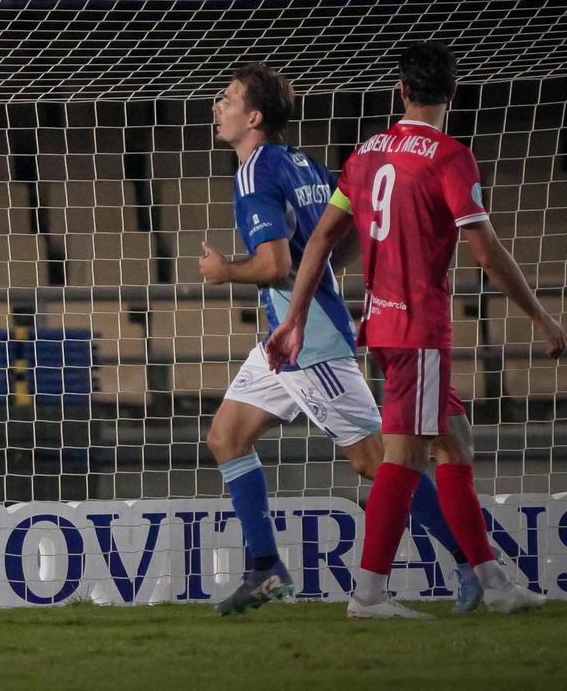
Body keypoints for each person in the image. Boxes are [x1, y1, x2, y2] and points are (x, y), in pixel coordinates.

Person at [267, 41, 566, 619]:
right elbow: (485, 249)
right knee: (403, 460)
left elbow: (324, 239)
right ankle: (368, 595)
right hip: (419, 330)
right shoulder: (450, 158)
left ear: (400, 90)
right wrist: (538, 314)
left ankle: (493, 581)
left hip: (381, 324)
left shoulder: (366, 154)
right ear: (453, 93)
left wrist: (295, 317)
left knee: (454, 444)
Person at [200, 61, 476, 615]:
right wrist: (323, 270)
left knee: (378, 460)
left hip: (309, 341)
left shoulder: (255, 173)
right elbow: (342, 228)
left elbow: (275, 265)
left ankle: (471, 563)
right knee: (227, 437)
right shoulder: (299, 163)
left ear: (253, 117)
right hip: (289, 336)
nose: (217, 105)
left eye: (227, 98)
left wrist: (224, 271)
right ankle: (264, 570)